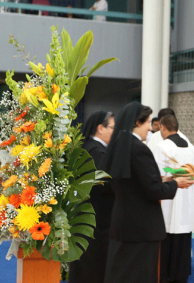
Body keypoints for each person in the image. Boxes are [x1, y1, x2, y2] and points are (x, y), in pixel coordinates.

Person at [102, 102, 194, 283]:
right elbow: (153, 190)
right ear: (137, 122)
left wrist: (165, 180)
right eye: (146, 123)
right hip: (142, 225)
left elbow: (131, 182)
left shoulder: (120, 144)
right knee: (140, 274)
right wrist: (175, 183)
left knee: (121, 272)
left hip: (123, 220)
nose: (149, 128)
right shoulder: (138, 149)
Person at [69, 111, 115, 283]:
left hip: (89, 214)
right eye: (112, 127)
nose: (114, 132)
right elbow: (105, 183)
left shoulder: (91, 147)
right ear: (100, 128)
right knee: (93, 266)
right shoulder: (95, 150)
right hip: (97, 216)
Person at [154, 115, 194, 283]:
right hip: (186, 200)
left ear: (162, 127)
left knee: (167, 238)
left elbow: (157, 175)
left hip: (169, 199)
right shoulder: (192, 148)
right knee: (182, 240)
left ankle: (164, 275)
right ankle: (180, 276)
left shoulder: (162, 146)